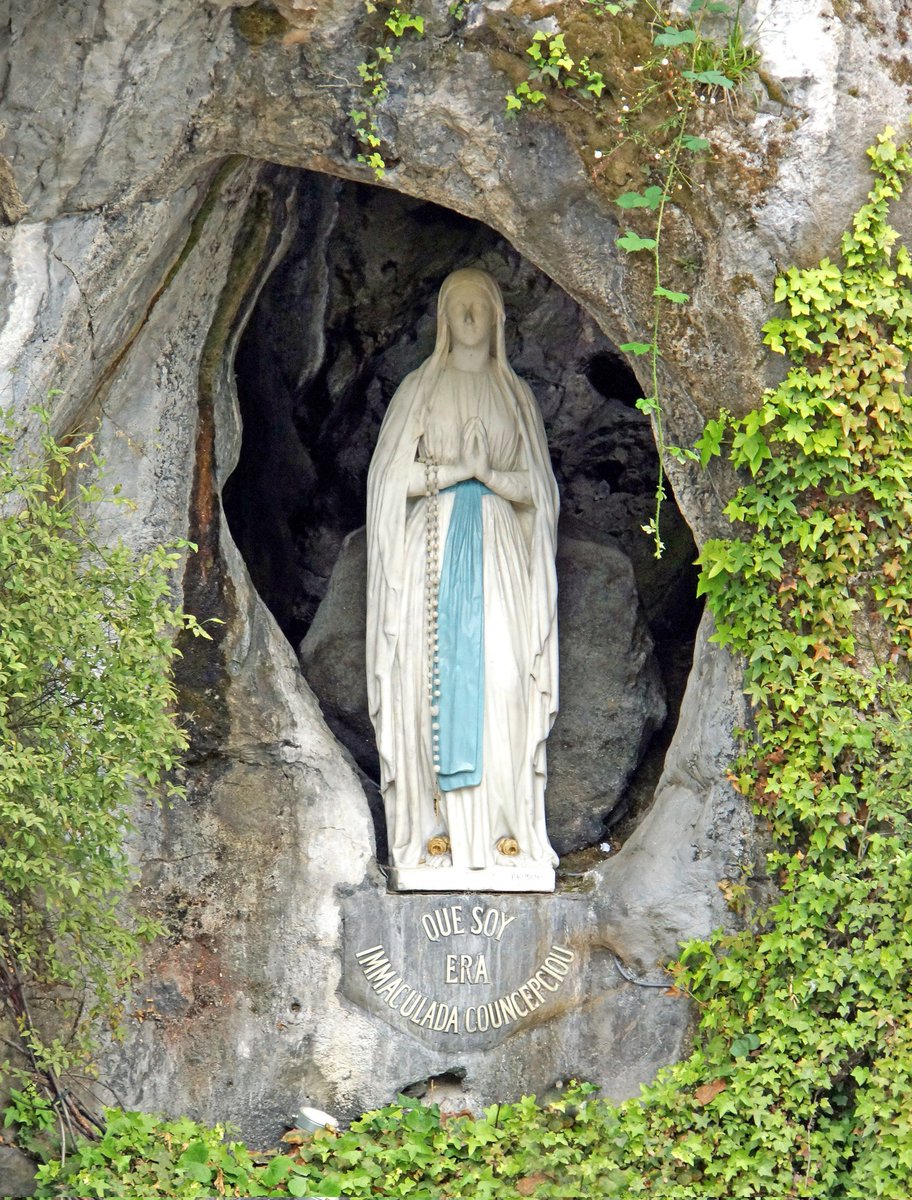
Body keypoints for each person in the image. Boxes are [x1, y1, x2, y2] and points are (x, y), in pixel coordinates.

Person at [366, 268, 559, 884]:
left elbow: (542, 494)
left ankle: (507, 831)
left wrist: (492, 478)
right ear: (443, 320)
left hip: (500, 553)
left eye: (481, 305)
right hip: (434, 549)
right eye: (460, 306)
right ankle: (437, 835)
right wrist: (455, 474)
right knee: (433, 681)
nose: (471, 316)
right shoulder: (418, 393)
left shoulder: (516, 399)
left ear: (500, 318)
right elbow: (387, 484)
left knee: (504, 679)